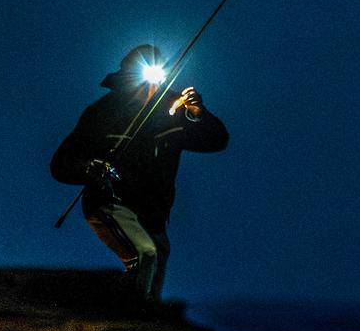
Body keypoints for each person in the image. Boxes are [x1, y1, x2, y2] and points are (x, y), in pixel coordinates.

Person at [51, 44, 228, 300]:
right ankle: (119, 314)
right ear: (128, 76)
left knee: (156, 264)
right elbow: (60, 163)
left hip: (153, 212)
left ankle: (140, 325)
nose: (153, 83)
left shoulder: (176, 110)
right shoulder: (102, 112)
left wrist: (200, 115)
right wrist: (87, 168)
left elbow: (217, 141)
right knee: (145, 254)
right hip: (110, 203)